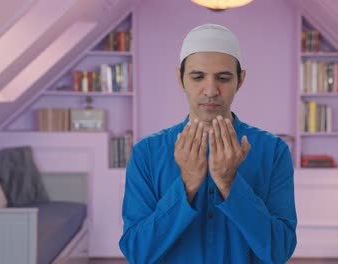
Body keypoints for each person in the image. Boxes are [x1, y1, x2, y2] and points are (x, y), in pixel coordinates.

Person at [119, 24, 297, 264]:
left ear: (240, 80)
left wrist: (229, 183)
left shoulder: (273, 151)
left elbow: (279, 251)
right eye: (198, 77)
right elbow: (137, 252)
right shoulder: (146, 154)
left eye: (223, 78)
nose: (211, 90)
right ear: (180, 79)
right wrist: (187, 184)